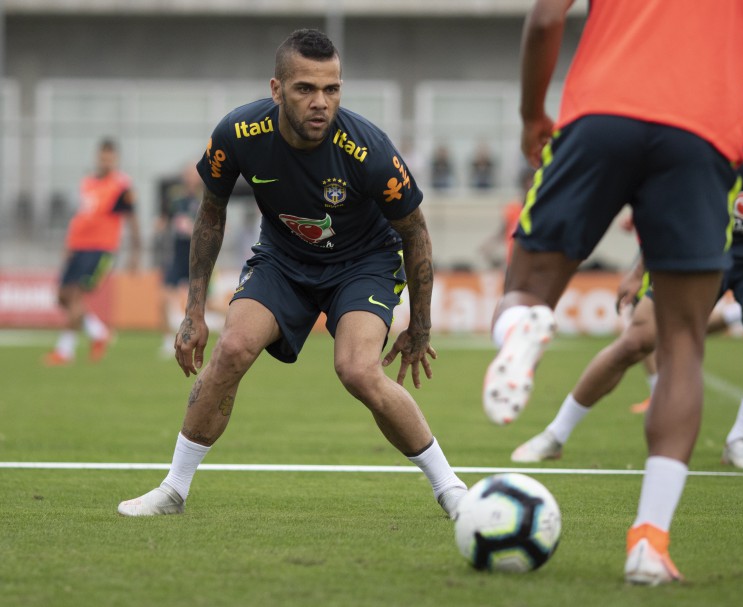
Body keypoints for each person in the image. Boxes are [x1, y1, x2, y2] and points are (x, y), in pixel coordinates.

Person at [483, 0, 743, 585]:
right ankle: (648, 542)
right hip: (702, 133)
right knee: (682, 344)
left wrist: (533, 114)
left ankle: (524, 326)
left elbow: (544, 20)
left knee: (529, 288)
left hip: (599, 115)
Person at [118, 29, 467, 518]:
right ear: (277, 89)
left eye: (332, 89)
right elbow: (211, 214)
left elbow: (416, 234)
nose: (321, 102)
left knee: (357, 370)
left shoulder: (370, 150)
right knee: (232, 349)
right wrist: (193, 311)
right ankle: (173, 490)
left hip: (363, 263)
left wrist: (421, 326)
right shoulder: (237, 134)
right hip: (283, 259)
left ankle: (452, 491)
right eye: (306, 88)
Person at [44, 138, 140, 365]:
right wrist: (69, 245)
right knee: (62, 296)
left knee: (75, 295)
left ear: (115, 159)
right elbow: (82, 217)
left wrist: (136, 252)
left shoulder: (122, 186)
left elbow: (132, 219)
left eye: (110, 158)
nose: (106, 161)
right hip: (78, 247)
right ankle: (99, 332)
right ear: (98, 157)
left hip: (101, 248)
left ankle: (64, 351)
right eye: (103, 157)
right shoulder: (87, 183)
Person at [156, 162, 203, 356]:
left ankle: (232, 324)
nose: (191, 178)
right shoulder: (175, 198)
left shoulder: (206, 198)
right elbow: (164, 220)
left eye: (194, 174)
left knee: (207, 303)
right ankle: (169, 340)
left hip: (199, 258)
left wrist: (194, 228)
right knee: (163, 298)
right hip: (178, 255)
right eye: (188, 174)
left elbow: (219, 226)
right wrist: (160, 226)